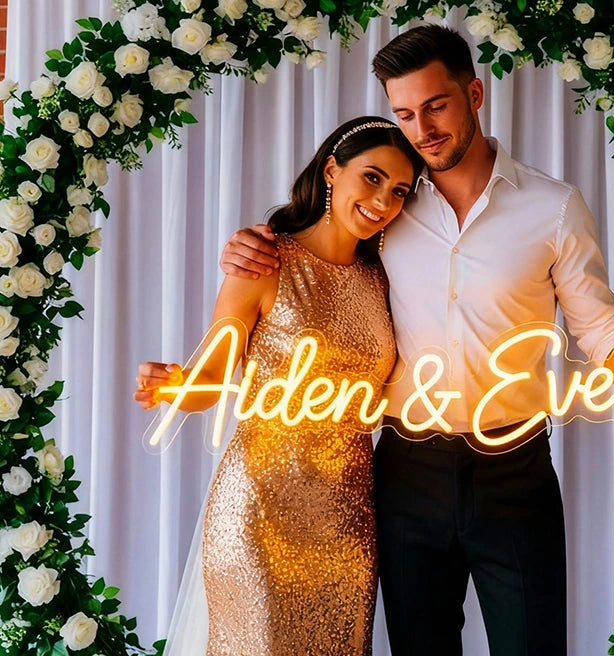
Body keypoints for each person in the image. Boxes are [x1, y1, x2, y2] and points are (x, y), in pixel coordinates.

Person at [219, 26, 614, 655]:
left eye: (436, 106)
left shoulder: (553, 209)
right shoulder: (389, 207)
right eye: (405, 114)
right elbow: (322, 257)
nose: (422, 128)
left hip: (514, 474)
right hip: (404, 473)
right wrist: (256, 244)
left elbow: (604, 333)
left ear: (474, 93)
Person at [135, 116, 424, 656]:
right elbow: (211, 380)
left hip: (347, 523)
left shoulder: (384, 278)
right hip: (260, 516)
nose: (384, 200)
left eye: (400, 190)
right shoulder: (266, 261)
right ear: (332, 172)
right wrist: (173, 384)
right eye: (373, 177)